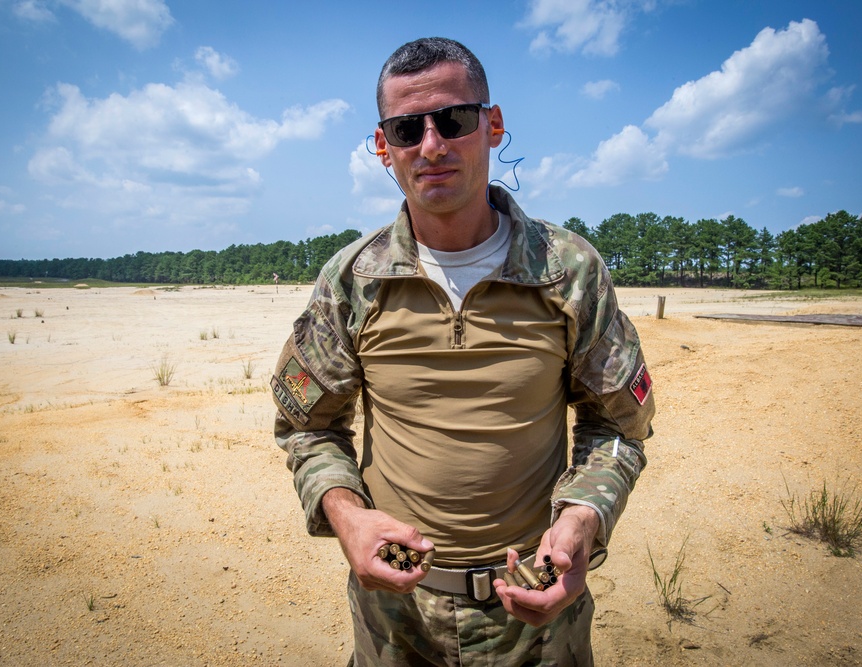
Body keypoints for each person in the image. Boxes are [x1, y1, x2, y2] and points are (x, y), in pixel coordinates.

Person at [271, 36, 654, 666]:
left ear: (492, 125)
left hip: (533, 608)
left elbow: (618, 425)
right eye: (405, 128)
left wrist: (584, 517)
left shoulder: (568, 272)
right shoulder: (353, 282)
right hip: (398, 614)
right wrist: (347, 517)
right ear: (381, 145)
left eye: (453, 119)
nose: (431, 145)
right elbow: (307, 429)